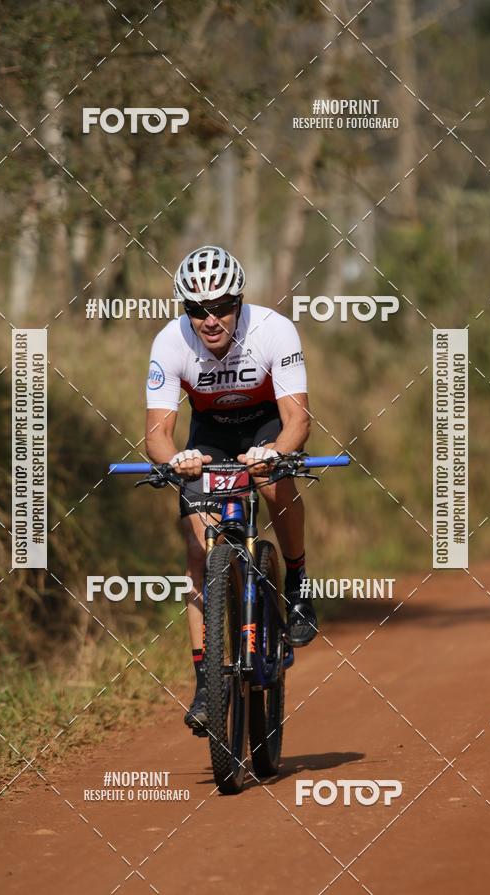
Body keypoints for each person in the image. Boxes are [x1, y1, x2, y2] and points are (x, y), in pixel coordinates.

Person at [145, 245, 317, 734]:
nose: (210, 319)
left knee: (270, 480)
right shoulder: (170, 342)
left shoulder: (273, 330)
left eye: (220, 306)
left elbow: (297, 420)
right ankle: (206, 682)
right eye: (197, 309)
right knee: (198, 547)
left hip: (266, 426)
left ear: (238, 301)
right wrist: (175, 459)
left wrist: (276, 452)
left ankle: (298, 581)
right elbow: (157, 433)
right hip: (211, 437)